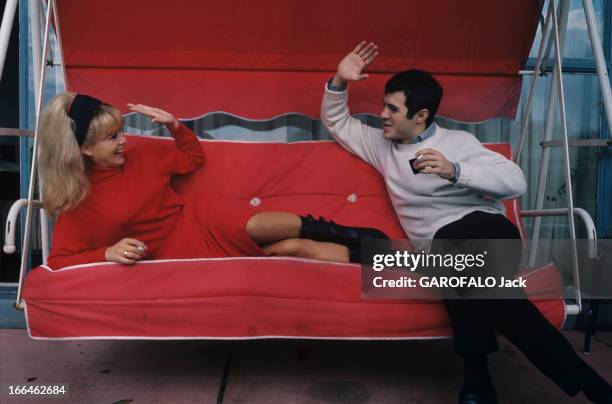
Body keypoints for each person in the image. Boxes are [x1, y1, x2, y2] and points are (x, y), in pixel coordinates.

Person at [321, 41, 612, 404]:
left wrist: (455, 171)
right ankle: (590, 386)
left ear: (420, 115)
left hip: (489, 231)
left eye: (392, 108)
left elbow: (515, 182)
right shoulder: (382, 146)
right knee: (501, 297)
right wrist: (338, 80)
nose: (382, 114)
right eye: (384, 105)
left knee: (459, 249)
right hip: (446, 251)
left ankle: (478, 379)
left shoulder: (458, 143)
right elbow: (337, 122)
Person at [39, 92, 388, 270]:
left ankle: (366, 240)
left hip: (200, 216)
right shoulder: (78, 199)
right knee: (290, 249)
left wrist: (175, 125)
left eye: (121, 132)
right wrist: (108, 253)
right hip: (177, 251)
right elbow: (59, 260)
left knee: (258, 223)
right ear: (84, 149)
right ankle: (374, 259)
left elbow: (193, 158)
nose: (123, 141)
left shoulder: (141, 156)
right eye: (111, 138)